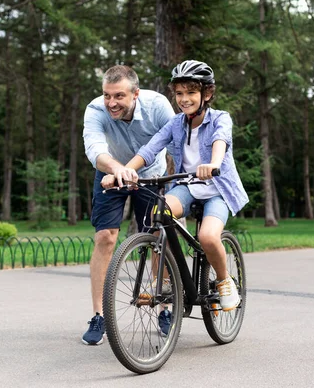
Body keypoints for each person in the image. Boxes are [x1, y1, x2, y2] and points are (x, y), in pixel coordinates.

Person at [102, 60, 249, 333]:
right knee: (159, 215)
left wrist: (213, 164)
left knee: (207, 237)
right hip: (187, 186)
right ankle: (167, 281)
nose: (184, 99)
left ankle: (224, 280)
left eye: (191, 93)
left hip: (217, 189)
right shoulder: (176, 124)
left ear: (207, 94)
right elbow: (149, 149)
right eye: (179, 93)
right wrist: (122, 171)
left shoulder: (220, 118)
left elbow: (220, 142)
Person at [81, 65, 175, 345]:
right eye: (107, 95)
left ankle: (165, 308)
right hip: (110, 173)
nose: (111, 103)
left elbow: (177, 141)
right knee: (105, 237)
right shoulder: (95, 109)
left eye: (118, 96)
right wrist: (118, 169)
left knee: (158, 238)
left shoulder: (158, 105)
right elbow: (95, 149)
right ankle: (99, 315)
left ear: (135, 93)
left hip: (151, 174)